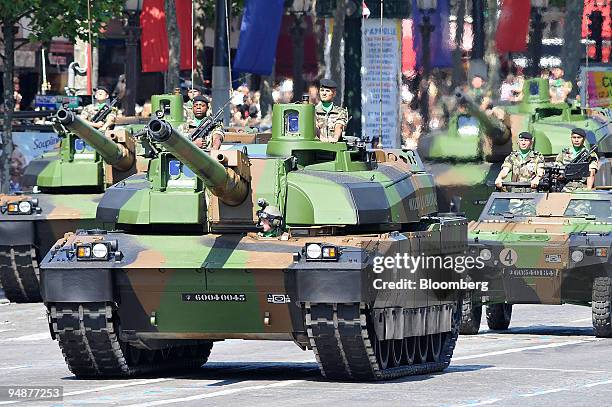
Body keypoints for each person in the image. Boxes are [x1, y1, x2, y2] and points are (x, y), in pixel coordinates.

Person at [315, 78, 348, 143]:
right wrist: (321, 137)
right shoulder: (313, 111)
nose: (324, 93)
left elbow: (339, 126)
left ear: (334, 93)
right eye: (322, 90)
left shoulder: (340, 112)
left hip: (334, 147)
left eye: (327, 91)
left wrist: (335, 138)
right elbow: (314, 126)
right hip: (317, 147)